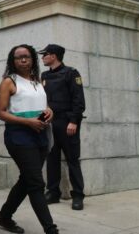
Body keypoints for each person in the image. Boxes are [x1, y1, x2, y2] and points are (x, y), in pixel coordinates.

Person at [0, 44, 58, 234]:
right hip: (19, 137)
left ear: (32, 59)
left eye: (27, 57)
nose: (23, 60)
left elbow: (43, 106)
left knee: (27, 179)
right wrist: (27, 122)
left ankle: (4, 216)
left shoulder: (38, 81)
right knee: (36, 183)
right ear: (12, 61)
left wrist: (50, 112)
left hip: (40, 135)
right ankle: (51, 229)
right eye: (18, 57)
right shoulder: (9, 81)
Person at [39, 44, 86, 210]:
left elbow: (78, 100)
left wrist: (74, 120)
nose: (42, 57)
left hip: (67, 123)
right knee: (52, 158)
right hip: (50, 122)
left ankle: (78, 195)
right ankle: (53, 192)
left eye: (45, 54)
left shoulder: (71, 73)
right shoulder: (44, 75)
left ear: (53, 56)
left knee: (72, 159)